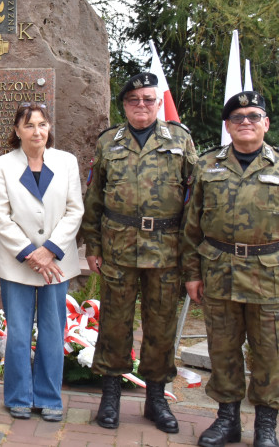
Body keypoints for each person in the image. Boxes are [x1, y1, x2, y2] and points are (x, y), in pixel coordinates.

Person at [183, 91, 279, 447]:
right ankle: (227, 420)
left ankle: (265, 427)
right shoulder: (207, 165)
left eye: (254, 116)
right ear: (227, 126)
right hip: (218, 273)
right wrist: (192, 273)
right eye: (238, 117)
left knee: (268, 354)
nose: (246, 122)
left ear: (266, 124)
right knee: (223, 350)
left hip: (270, 276)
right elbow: (191, 227)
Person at [81, 71, 197, 432]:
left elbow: (195, 203)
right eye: (134, 100)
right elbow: (94, 197)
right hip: (118, 248)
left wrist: (191, 258)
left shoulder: (180, 140)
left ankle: (156, 399)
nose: (142, 105)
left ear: (158, 103)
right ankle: (110, 397)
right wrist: (93, 245)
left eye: (148, 99)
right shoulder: (108, 143)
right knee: (115, 325)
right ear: (125, 105)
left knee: (160, 327)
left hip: (166, 252)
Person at [0, 102, 83, 422]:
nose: (37, 131)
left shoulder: (66, 162)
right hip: (18, 264)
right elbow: (0, 216)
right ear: (17, 131)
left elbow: (75, 210)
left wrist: (49, 250)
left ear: (49, 128)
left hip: (56, 262)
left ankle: (48, 397)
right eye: (29, 125)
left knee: (53, 330)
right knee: (18, 332)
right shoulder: (2, 165)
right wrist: (30, 252)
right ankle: (18, 396)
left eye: (42, 124)